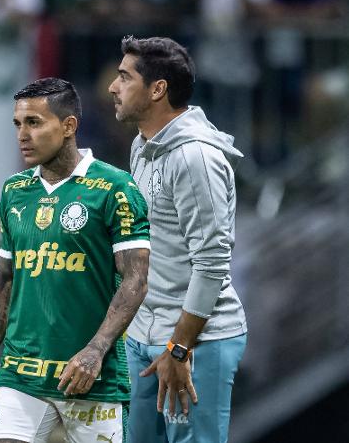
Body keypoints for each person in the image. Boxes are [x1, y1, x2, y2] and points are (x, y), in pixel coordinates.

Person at [0, 77, 150, 443]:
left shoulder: (117, 188)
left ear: (69, 126)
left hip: (90, 379)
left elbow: (136, 280)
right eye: (18, 124)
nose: (22, 134)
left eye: (34, 123)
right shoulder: (14, 191)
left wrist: (96, 350)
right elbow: (4, 281)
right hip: (20, 376)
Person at [108, 36, 248, 443]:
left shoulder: (195, 158)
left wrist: (180, 347)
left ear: (157, 89)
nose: (113, 88)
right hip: (142, 337)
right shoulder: (142, 144)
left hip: (195, 344)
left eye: (124, 77)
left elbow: (211, 262)